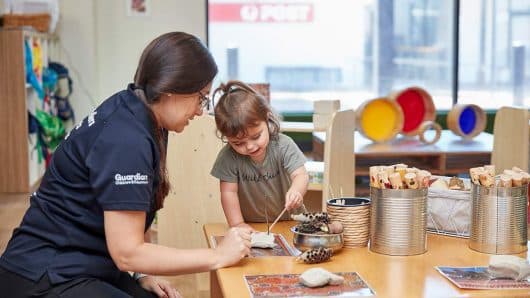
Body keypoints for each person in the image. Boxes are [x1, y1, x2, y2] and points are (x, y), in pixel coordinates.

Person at [0, 32, 251, 298]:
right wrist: (217, 256)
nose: (201, 110)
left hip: (84, 262)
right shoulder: (127, 139)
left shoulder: (141, 111)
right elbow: (127, 254)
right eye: (200, 97)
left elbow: (135, 212)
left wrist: (144, 273)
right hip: (44, 274)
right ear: (171, 87)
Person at [210, 81, 309, 230]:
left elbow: (301, 175)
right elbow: (228, 193)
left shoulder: (283, 145)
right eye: (238, 143)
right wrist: (237, 224)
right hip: (252, 226)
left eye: (256, 136)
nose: (250, 146)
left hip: (292, 222)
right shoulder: (227, 157)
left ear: (267, 119)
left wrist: (296, 191)